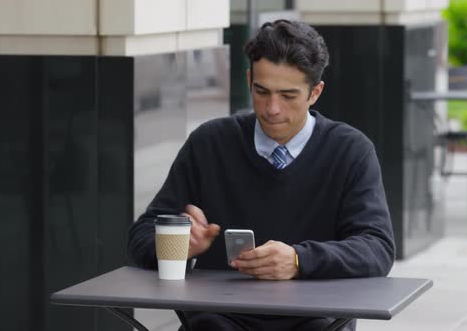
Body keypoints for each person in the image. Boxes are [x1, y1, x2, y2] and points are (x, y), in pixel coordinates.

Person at [128, 19, 395, 331]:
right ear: (248, 80)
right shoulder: (209, 143)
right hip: (217, 320)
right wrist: (177, 246)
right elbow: (140, 237)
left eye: (288, 95)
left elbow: (377, 248)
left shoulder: (350, 150)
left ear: (315, 92)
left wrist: (299, 260)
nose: (272, 108)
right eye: (262, 91)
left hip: (315, 320)